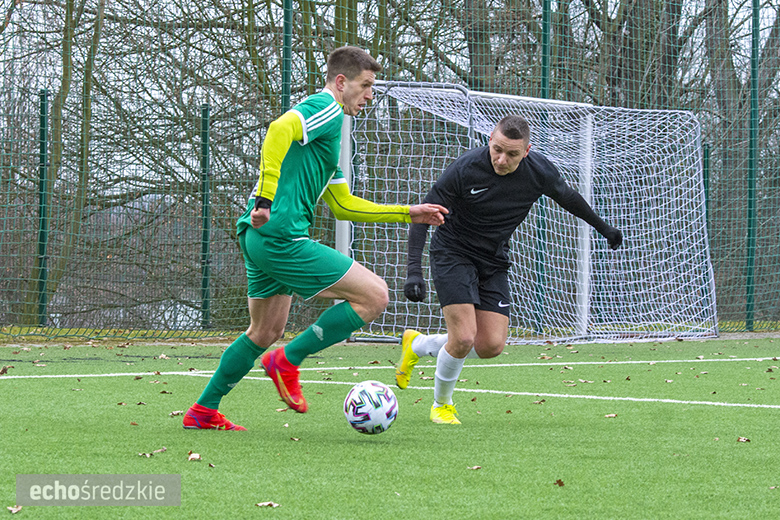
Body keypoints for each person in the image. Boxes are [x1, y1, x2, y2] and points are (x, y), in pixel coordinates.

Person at [183, 46, 447, 430]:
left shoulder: (331, 134)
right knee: (374, 296)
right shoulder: (326, 108)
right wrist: (265, 198)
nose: (370, 95)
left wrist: (408, 212)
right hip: (280, 237)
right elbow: (278, 129)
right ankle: (286, 360)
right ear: (341, 82)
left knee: (265, 331)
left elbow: (342, 205)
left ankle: (203, 410)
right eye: (365, 85)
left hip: (260, 238)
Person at [395, 115, 622, 425]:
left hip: (494, 260)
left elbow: (569, 198)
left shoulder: (539, 171)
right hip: (453, 253)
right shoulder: (465, 168)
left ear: (526, 151)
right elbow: (424, 214)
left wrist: (603, 228)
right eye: (497, 149)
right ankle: (441, 405)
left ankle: (418, 344)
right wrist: (413, 270)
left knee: (490, 345)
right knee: (463, 337)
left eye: (512, 154)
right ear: (490, 140)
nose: (501, 160)